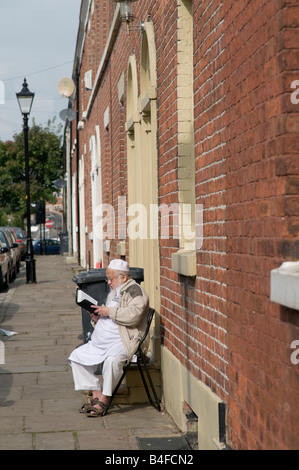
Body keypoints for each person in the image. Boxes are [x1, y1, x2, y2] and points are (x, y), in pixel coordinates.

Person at [68, 259, 149, 417]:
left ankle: (104, 398)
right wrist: (98, 318)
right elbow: (111, 316)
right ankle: (96, 393)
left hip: (122, 342)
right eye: (108, 278)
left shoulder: (135, 290)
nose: (109, 282)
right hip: (100, 343)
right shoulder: (117, 291)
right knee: (76, 357)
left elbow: (135, 315)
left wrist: (108, 312)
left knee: (112, 361)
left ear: (123, 277)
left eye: (111, 278)